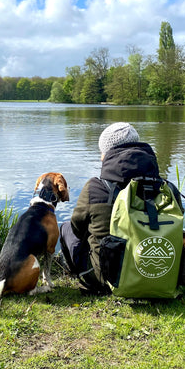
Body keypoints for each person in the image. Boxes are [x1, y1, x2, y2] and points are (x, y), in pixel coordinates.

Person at [59, 122, 165, 294]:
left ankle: (76, 274)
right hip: (157, 274)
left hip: (106, 279)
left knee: (65, 228)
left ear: (107, 152)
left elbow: (77, 230)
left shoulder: (95, 187)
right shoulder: (162, 187)